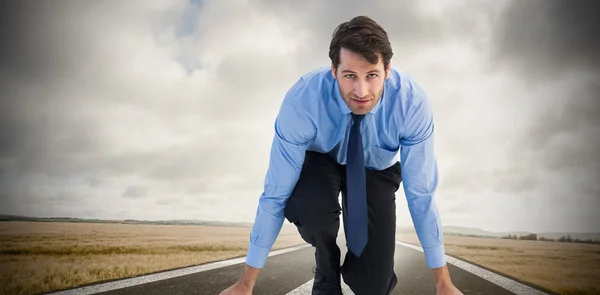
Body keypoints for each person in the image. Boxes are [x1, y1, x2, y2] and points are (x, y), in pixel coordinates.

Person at [220, 16, 463, 295]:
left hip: (376, 171)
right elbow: (275, 193)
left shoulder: (412, 105)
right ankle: (326, 266)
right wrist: (245, 284)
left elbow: (422, 193)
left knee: (373, 286)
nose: (361, 91)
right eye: (350, 76)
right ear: (333, 70)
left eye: (372, 75)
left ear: (387, 70)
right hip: (320, 163)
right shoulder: (302, 103)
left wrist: (443, 284)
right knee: (311, 207)